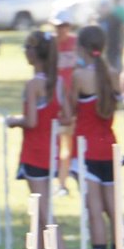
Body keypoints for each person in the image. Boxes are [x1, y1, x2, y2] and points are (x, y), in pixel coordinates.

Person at [6, 30, 78, 249]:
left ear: (34, 53)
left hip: (34, 153)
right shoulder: (57, 82)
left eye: (27, 48)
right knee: (40, 212)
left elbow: (32, 121)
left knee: (45, 212)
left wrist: (14, 121)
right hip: (52, 153)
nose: (25, 52)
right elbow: (68, 117)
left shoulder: (34, 84)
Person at [68, 25, 120, 249]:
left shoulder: (80, 76)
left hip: (86, 148)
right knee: (113, 209)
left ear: (82, 48)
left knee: (95, 209)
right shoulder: (112, 74)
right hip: (109, 146)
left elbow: (70, 111)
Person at [53, 12, 77, 195]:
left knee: (73, 143)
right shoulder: (50, 46)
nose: (61, 30)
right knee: (58, 143)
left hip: (74, 100)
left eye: (64, 26)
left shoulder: (76, 43)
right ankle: (60, 183)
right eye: (58, 26)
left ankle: (72, 178)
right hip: (56, 101)